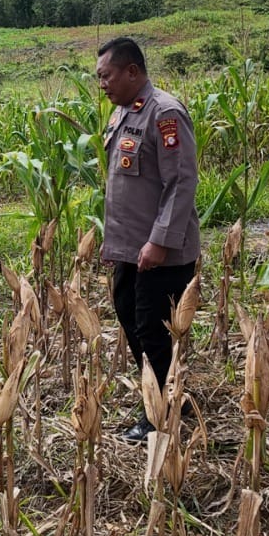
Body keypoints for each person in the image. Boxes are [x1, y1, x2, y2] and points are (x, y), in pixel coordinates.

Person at [95, 37, 201, 442]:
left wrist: (159, 242)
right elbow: (125, 185)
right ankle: (169, 395)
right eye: (99, 77)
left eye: (106, 76)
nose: (102, 84)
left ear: (132, 71)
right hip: (130, 249)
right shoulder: (122, 113)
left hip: (162, 252)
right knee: (130, 319)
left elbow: (181, 182)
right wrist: (115, 243)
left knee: (151, 329)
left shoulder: (165, 113)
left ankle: (159, 417)